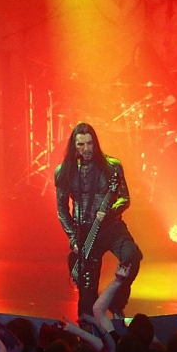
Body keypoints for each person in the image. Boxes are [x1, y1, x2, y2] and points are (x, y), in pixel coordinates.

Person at [54, 122, 143, 321]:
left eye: (90, 143)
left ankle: (116, 302)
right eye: (81, 144)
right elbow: (62, 209)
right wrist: (73, 239)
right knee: (87, 294)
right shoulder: (64, 171)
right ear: (74, 146)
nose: (86, 149)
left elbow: (125, 198)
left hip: (111, 228)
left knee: (132, 256)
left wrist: (109, 212)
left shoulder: (112, 165)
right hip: (84, 232)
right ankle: (89, 328)